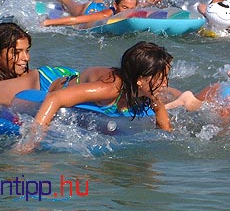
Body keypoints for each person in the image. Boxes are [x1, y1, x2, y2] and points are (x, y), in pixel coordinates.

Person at [11, 41, 173, 152]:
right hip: (47, 81)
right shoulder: (109, 89)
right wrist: (32, 140)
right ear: (140, 80)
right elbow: (55, 98)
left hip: (83, 80)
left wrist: (168, 137)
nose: (165, 83)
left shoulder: (147, 93)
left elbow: (160, 113)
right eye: (161, 78)